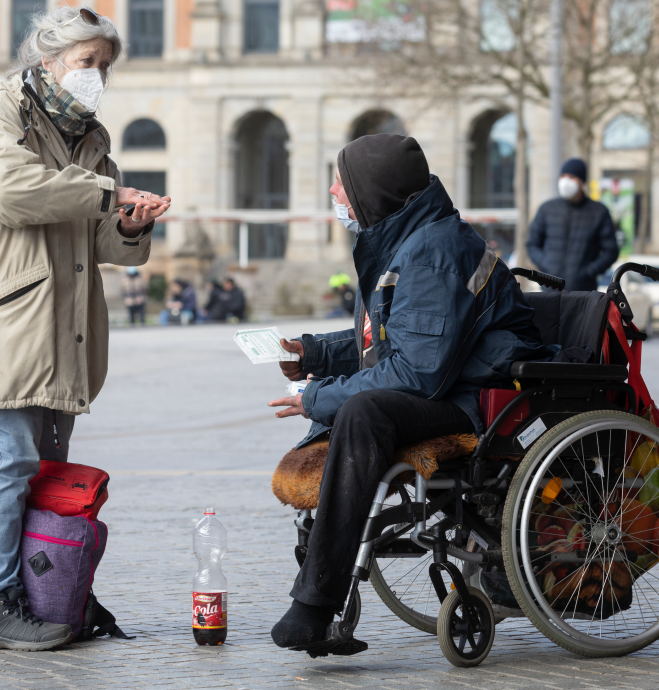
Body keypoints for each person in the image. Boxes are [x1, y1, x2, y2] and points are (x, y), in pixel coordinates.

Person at [264, 134, 557, 654]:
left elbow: (415, 373)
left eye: (342, 183)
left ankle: (314, 601)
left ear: (374, 192)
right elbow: (388, 339)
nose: (333, 191)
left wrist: (317, 399)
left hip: (480, 401)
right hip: (450, 381)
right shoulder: (404, 241)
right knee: (358, 406)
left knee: (364, 410)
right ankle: (321, 584)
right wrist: (312, 355)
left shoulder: (436, 252)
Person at [0, 5, 170, 651]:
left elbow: (104, 241)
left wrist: (129, 222)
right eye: (85, 62)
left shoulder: (90, 136)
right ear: (48, 60)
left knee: (46, 471)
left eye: (104, 65)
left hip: (60, 328)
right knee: (9, 461)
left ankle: (43, 592)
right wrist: (104, 195)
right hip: (5, 318)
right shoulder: (3, 109)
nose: (96, 75)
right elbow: (7, 189)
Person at [526, 158, 619, 291]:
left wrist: (589, 271)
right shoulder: (547, 209)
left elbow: (611, 251)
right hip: (549, 290)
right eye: (563, 176)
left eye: (571, 177)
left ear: (582, 182)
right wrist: (545, 264)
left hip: (583, 293)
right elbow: (532, 244)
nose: (565, 181)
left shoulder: (599, 212)